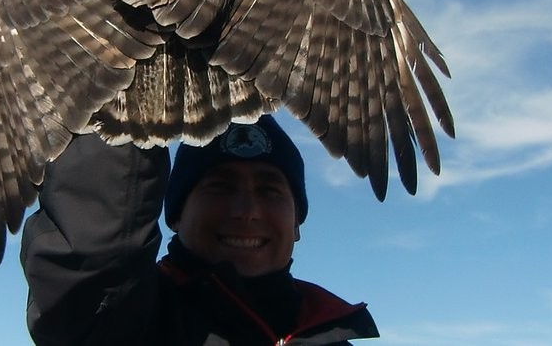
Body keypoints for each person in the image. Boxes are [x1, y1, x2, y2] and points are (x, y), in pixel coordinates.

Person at [21, 115, 379, 345]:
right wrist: (123, 96)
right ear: (175, 216)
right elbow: (93, 256)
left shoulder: (330, 333)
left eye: (270, 189)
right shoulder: (122, 317)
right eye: (220, 186)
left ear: (298, 224)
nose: (247, 210)